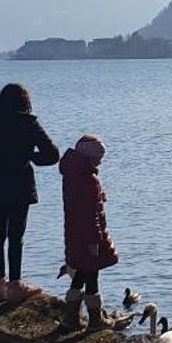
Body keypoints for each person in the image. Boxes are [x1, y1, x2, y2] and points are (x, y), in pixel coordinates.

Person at [0, 82, 59, 303]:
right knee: (16, 235)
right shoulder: (29, 123)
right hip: (20, 183)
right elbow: (52, 154)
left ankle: (0, 285)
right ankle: (16, 283)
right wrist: (31, 158)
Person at [59, 133, 119, 331]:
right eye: (98, 159)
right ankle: (95, 320)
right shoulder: (87, 179)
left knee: (82, 273)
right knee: (91, 274)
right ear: (90, 158)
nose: (100, 163)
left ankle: (71, 317)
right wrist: (94, 240)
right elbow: (90, 213)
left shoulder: (71, 175)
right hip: (88, 236)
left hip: (74, 233)